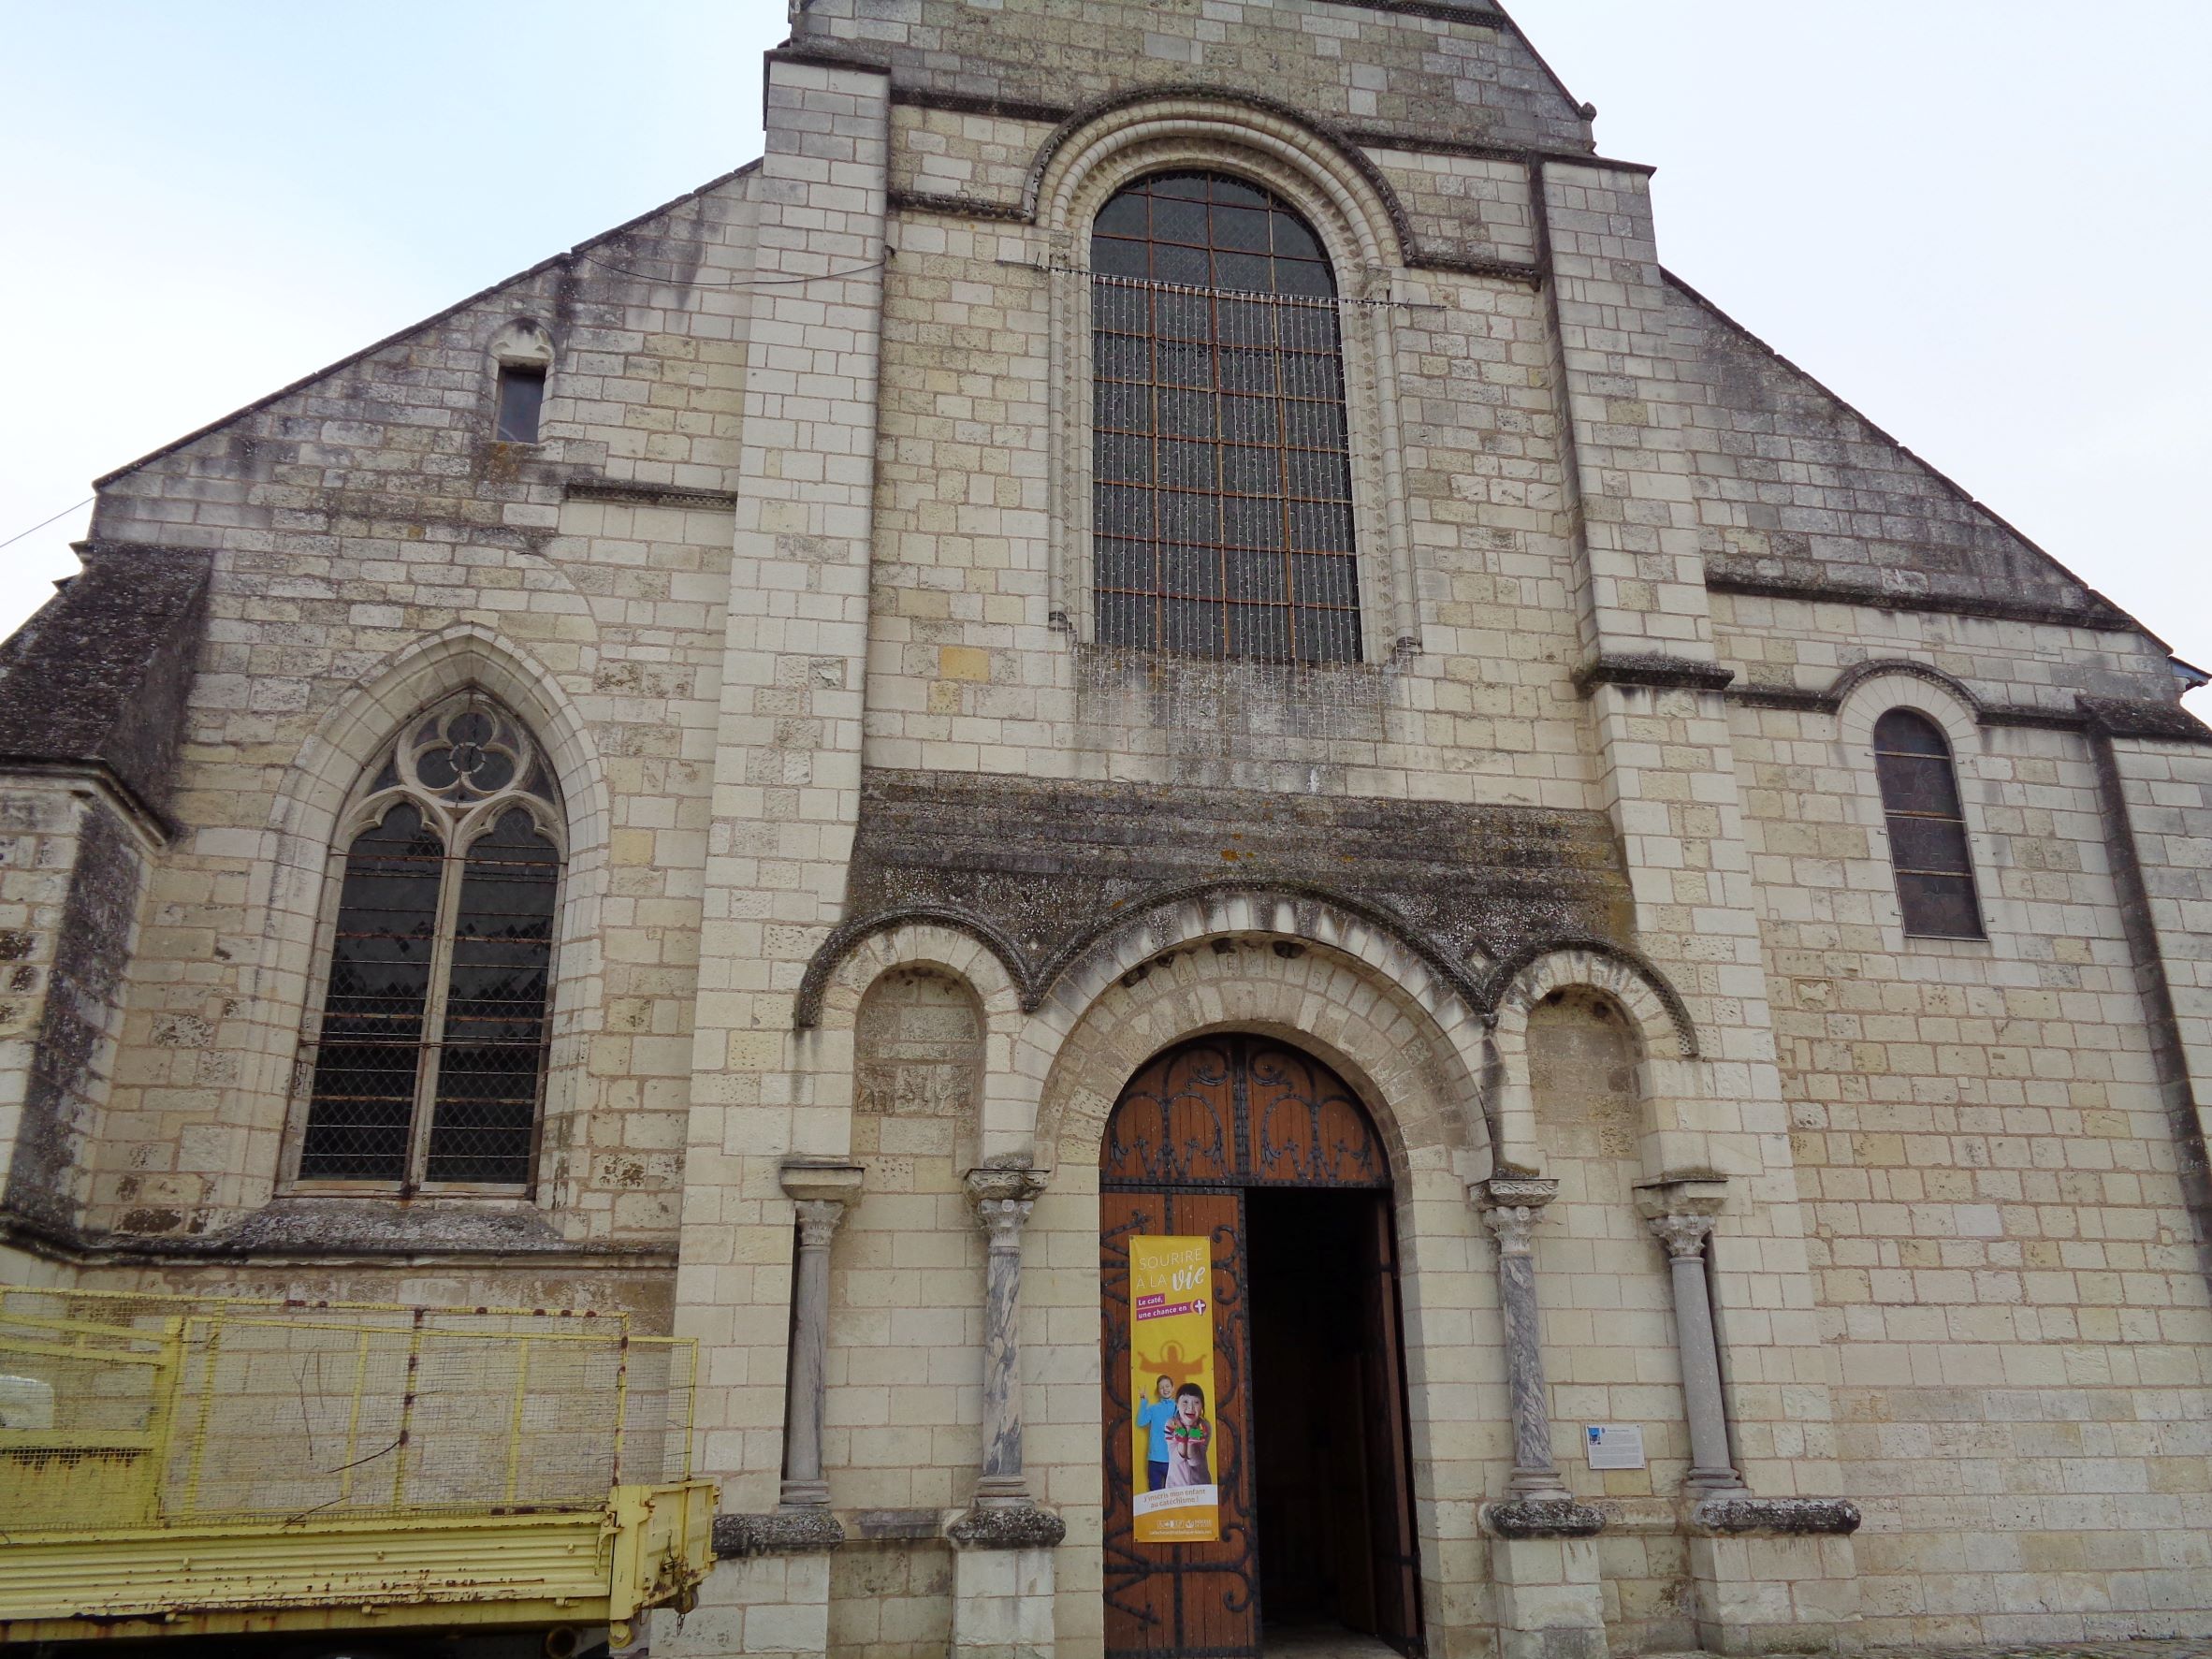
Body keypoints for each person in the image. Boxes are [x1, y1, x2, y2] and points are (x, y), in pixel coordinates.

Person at [1165, 1381, 1211, 1487]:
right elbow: (1176, 1459)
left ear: (1202, 1406)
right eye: (1185, 1402)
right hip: (1175, 1488)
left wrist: (1190, 1442)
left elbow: (1195, 1461)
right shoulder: (1171, 1424)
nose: (1190, 1407)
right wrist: (1182, 1440)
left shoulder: (1204, 1426)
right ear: (1177, 1404)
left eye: (1196, 1402)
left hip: (1201, 1486)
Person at [1136, 1374, 1176, 1492]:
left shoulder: (1178, 1407)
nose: (1165, 1389)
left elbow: (1187, 1428)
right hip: (1154, 1460)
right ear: (1158, 1391)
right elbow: (1141, 1422)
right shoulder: (1153, 1409)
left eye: (1167, 1386)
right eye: (1162, 1387)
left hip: (1173, 1460)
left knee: (1174, 1497)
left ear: (1173, 1388)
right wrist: (1144, 1401)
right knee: (1155, 1496)